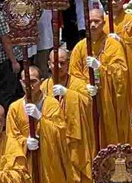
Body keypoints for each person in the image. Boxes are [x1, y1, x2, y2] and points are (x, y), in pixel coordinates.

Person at [69, 9, 131, 146]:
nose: (93, 25)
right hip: (88, 99)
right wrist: (85, 88)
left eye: (96, 21)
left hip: (108, 98)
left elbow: (121, 72)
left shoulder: (113, 45)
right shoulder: (79, 48)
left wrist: (101, 68)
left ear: (103, 23)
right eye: (90, 22)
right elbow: (73, 76)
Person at [6, 66, 69, 182]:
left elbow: (60, 132)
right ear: (21, 82)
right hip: (27, 163)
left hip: (49, 161)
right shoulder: (14, 108)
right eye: (25, 82)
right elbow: (11, 138)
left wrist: (40, 117)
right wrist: (25, 143)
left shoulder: (52, 104)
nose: (29, 85)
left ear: (41, 81)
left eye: (33, 81)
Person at [41, 48, 94, 183]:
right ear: (48, 64)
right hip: (54, 139)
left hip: (74, 138)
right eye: (55, 63)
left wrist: (68, 94)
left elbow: (88, 104)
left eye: (62, 63)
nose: (58, 67)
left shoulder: (77, 83)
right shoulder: (44, 86)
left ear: (68, 63)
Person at [0, 0, 24, 109]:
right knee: (7, 91)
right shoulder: (1, 14)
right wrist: (14, 61)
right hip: (6, 59)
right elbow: (6, 40)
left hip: (6, 58)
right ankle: (4, 116)